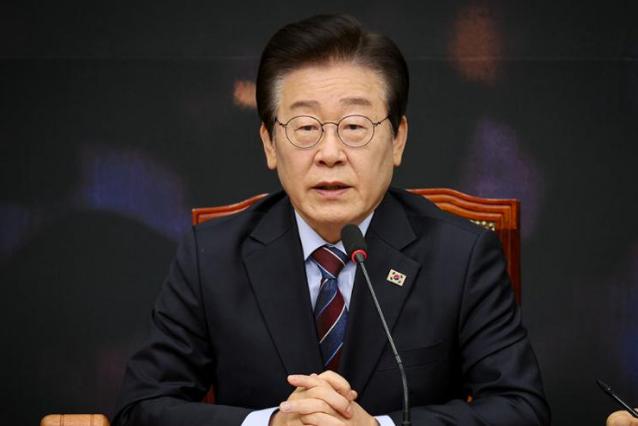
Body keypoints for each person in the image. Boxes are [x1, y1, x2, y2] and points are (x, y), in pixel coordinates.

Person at [113, 14, 550, 425]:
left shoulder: (461, 255)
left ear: (397, 140)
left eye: (355, 126)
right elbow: (141, 407)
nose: (329, 153)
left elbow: (521, 408)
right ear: (269, 144)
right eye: (305, 127)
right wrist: (271, 423)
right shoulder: (210, 256)